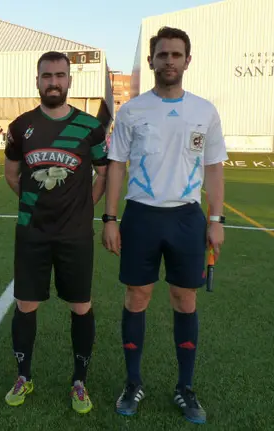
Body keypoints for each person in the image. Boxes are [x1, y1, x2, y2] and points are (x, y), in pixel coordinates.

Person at [102, 27, 227, 424]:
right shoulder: (132, 110)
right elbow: (116, 165)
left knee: (183, 300)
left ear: (187, 61)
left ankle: (184, 387)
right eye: (162, 54)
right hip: (140, 215)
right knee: (137, 297)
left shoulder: (204, 111)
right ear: (152, 60)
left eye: (176, 54)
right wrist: (110, 217)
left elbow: (213, 168)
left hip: (187, 219)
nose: (169, 61)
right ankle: (133, 382)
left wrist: (216, 219)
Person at [2, 51, 110, 414]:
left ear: (69, 80)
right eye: (47, 75)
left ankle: (79, 381)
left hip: (74, 234)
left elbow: (104, 173)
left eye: (60, 75)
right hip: (31, 231)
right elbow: (12, 175)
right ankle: (23, 375)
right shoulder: (20, 126)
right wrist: (35, 203)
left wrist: (84, 206)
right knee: (25, 304)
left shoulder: (90, 126)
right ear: (37, 80)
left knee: (80, 305)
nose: (53, 81)